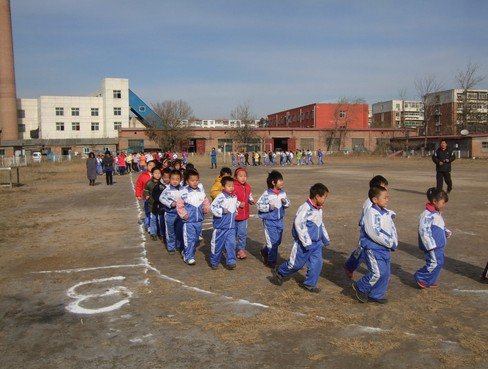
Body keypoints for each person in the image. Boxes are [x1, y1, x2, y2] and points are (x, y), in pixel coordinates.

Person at [271, 183, 330, 293]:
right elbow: (299, 224)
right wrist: (306, 242)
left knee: (317, 263)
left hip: (316, 244)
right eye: (324, 197)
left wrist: (325, 238)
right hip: (304, 244)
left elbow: (320, 224)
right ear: (317, 196)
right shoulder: (305, 208)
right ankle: (280, 271)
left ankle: (309, 284)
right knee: (296, 264)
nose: (325, 199)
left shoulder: (318, 209)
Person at [352, 186, 398, 304]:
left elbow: (392, 229)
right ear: (375, 199)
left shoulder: (386, 213)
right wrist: (389, 242)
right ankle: (360, 286)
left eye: (388, 197)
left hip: (385, 249)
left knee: (386, 274)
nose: (387, 199)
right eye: (385, 197)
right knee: (377, 273)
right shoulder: (371, 214)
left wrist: (394, 241)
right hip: (373, 248)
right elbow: (374, 233)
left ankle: (376, 294)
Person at [344, 175, 390, 279]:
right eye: (383, 187)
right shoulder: (369, 203)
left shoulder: (377, 201)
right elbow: (366, 218)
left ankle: (350, 266)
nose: (386, 189)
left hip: (372, 233)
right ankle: (349, 266)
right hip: (367, 233)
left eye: (386, 187)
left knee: (362, 252)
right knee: (361, 252)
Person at [415, 188, 451, 289]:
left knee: (439, 263)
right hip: (433, 246)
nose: (444, 205)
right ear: (435, 201)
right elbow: (424, 231)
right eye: (443, 202)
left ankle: (429, 281)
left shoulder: (436, 213)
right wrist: (430, 245)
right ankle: (421, 277)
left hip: (439, 245)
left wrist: (446, 231)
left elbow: (440, 226)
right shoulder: (427, 215)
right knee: (434, 263)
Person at [256, 170, 290, 268]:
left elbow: (288, 204)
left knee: (278, 241)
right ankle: (271, 260)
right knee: (272, 241)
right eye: (280, 180)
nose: (282, 182)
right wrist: (268, 207)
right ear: (273, 182)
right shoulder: (267, 194)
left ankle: (265, 251)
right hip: (269, 221)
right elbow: (259, 205)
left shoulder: (283, 193)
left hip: (279, 220)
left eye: (282, 180)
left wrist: (285, 202)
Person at [176, 169, 210, 265]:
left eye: (196, 180)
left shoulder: (201, 192)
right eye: (192, 180)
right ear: (187, 181)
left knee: (195, 239)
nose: (195, 182)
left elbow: (206, 202)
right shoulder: (184, 192)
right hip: (188, 222)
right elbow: (179, 205)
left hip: (198, 221)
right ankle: (188, 257)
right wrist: (183, 214)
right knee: (189, 239)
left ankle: (186, 252)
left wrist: (205, 208)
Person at [209, 176, 240, 270]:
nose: (231, 188)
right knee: (217, 245)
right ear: (223, 187)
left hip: (231, 227)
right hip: (220, 227)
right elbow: (212, 207)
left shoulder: (234, 197)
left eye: (232, 186)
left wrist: (237, 208)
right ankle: (214, 261)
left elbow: (234, 206)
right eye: (229, 186)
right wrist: (221, 210)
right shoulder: (220, 197)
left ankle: (231, 261)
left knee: (231, 244)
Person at [160, 170, 184, 254]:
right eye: (173, 179)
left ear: (181, 179)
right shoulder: (167, 190)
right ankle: (171, 247)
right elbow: (162, 198)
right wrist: (170, 203)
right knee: (170, 231)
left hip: (180, 214)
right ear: (169, 179)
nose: (175, 181)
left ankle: (180, 245)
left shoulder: (183, 189)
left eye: (177, 179)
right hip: (170, 213)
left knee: (180, 230)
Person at [233, 167, 255, 259]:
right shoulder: (233, 186)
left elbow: (249, 195)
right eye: (240, 176)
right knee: (233, 234)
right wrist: (238, 204)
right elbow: (230, 198)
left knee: (242, 233)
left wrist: (251, 200)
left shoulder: (247, 186)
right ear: (235, 177)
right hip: (234, 215)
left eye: (245, 176)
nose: (243, 178)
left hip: (244, 215)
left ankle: (241, 250)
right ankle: (231, 249)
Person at [135, 160, 156, 232]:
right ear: (147, 166)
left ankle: (154, 226)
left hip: (156, 198)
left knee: (154, 212)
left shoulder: (158, 175)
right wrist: (138, 195)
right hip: (146, 198)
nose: (152, 167)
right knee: (147, 212)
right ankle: (148, 225)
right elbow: (139, 186)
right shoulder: (143, 176)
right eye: (150, 165)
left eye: (153, 165)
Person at [144, 167, 164, 241]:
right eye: (156, 173)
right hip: (152, 204)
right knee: (153, 219)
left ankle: (161, 233)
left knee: (161, 219)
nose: (157, 175)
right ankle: (153, 233)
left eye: (159, 173)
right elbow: (145, 190)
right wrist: (147, 195)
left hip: (161, 204)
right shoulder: (149, 183)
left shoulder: (162, 183)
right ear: (152, 174)